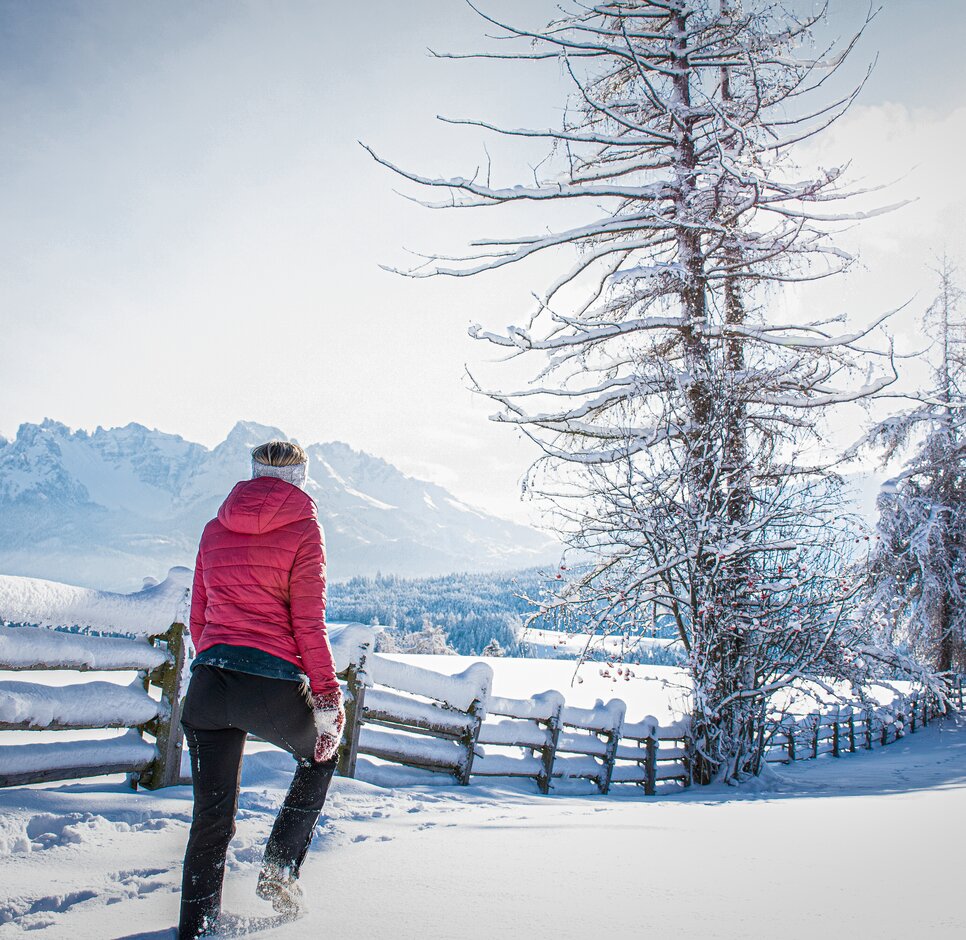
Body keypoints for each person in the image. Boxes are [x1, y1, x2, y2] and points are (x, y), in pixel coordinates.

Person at [178, 440, 345, 939]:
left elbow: (198, 617)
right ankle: (279, 869)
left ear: (253, 474)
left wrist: (210, 666)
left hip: (209, 685)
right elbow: (308, 625)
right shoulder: (304, 529)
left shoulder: (214, 528)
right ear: (301, 477)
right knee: (321, 756)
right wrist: (327, 701)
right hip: (270, 686)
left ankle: (195, 927)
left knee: (211, 818)